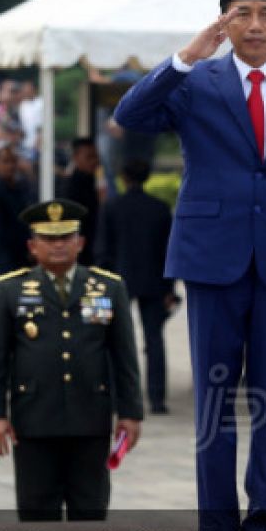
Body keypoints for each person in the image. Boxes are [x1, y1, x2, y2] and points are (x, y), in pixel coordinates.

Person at [113, 0, 266, 531]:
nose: (256, 24)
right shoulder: (195, 82)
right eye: (243, 12)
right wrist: (187, 56)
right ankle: (217, 526)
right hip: (213, 261)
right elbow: (130, 116)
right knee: (214, 401)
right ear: (223, 20)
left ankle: (263, 522)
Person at [0, 199, 144, 521]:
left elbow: (125, 356)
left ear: (80, 242)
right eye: (48, 238)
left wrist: (130, 412)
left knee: (90, 511)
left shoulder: (108, 287)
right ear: (32, 245)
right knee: (37, 512)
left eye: (66, 237)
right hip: (34, 420)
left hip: (91, 419)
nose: (58, 245)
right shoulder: (10, 290)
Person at [95, 158, 177, 414]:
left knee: (112, 339)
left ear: (124, 177)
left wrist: (99, 283)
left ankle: (111, 394)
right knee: (154, 340)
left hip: (117, 281)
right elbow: (168, 252)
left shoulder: (111, 206)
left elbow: (102, 249)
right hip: (154, 281)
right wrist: (169, 288)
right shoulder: (160, 208)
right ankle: (157, 398)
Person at [0, 146, 36, 274]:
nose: (10, 166)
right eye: (5, 161)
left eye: (13, 161)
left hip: (25, 257)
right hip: (4, 262)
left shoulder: (23, 187)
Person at [58, 138, 100, 267]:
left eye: (96, 157)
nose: (95, 161)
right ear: (76, 157)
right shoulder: (71, 187)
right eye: (89, 157)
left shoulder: (91, 181)